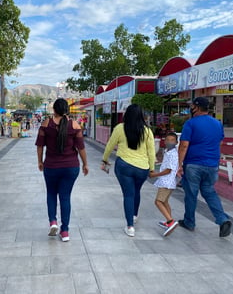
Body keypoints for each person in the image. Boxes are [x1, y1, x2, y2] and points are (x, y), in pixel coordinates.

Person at [35, 98, 89, 242]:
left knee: (51, 194)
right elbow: (81, 147)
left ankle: (53, 221)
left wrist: (40, 161)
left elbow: (40, 146)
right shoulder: (75, 125)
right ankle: (65, 231)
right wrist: (85, 164)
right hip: (70, 167)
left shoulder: (46, 124)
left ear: (54, 110)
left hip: (51, 166)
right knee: (65, 197)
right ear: (67, 110)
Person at [177, 97, 231, 237]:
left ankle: (189, 222)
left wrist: (179, 165)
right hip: (212, 164)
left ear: (197, 107)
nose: (191, 108)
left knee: (191, 194)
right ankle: (222, 219)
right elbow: (219, 142)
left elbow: (184, 145)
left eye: (192, 106)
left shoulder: (191, 123)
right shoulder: (217, 124)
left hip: (194, 164)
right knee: (209, 192)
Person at [102, 104, 156, 237]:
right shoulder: (147, 131)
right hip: (142, 168)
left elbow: (110, 145)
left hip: (124, 166)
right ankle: (134, 215)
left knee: (128, 194)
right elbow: (151, 151)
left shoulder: (120, 128)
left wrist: (105, 159)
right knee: (136, 191)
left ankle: (130, 226)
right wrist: (152, 168)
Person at [150, 132, 179, 237]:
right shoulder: (168, 152)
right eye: (167, 140)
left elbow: (168, 170)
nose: (169, 142)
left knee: (158, 202)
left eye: (172, 140)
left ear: (176, 142)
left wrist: (155, 174)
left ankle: (170, 221)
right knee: (165, 201)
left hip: (167, 181)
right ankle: (169, 221)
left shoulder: (173, 154)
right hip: (167, 181)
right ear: (164, 141)